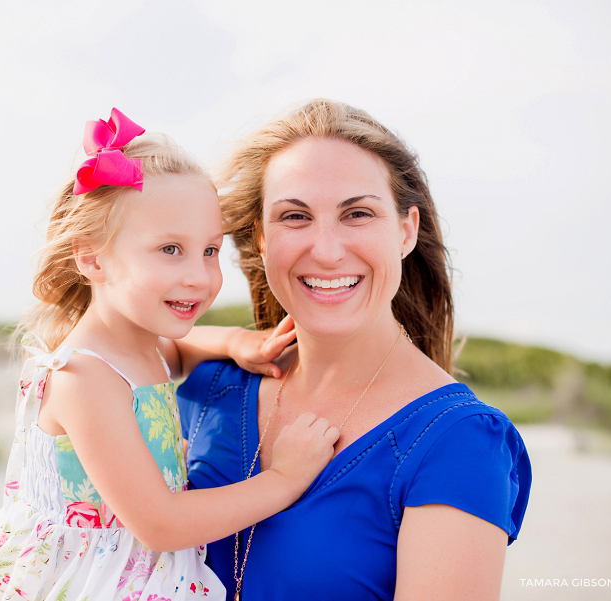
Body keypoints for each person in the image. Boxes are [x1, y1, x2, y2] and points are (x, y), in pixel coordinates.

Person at [0, 108, 339, 601]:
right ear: (91, 257)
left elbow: (176, 349)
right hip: (85, 583)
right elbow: (160, 523)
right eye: (170, 250)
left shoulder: (139, 345)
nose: (199, 276)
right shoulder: (85, 378)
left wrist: (236, 342)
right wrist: (284, 478)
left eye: (210, 250)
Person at [177, 99, 532, 601]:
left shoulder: (457, 444)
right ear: (259, 237)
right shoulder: (209, 389)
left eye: (358, 213)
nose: (325, 249)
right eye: (295, 216)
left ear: (406, 230)